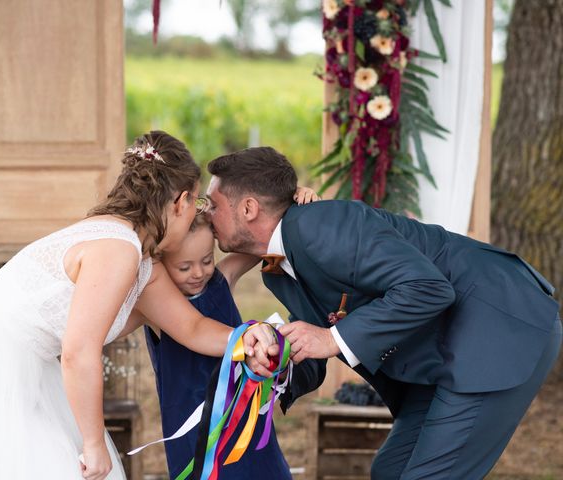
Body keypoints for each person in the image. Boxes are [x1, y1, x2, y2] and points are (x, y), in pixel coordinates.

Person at [0, 131, 276, 480]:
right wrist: (93, 444)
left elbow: (191, 328)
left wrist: (246, 338)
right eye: (198, 203)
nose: (198, 214)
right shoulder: (117, 249)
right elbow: (78, 352)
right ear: (179, 202)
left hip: (24, 358)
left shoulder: (140, 258)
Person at [205, 146, 562, 480]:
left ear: (249, 208)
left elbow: (427, 288)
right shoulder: (278, 267)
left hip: (497, 327)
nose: (205, 214)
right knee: (390, 471)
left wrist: (330, 338)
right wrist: (277, 367)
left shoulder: (319, 226)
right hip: (444, 350)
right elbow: (315, 342)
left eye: (212, 204)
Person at [141, 186, 318, 479]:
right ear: (160, 264)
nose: (199, 273)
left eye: (207, 260)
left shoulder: (221, 281)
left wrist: (293, 202)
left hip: (245, 419)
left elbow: (267, 239)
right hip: (194, 429)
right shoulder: (156, 310)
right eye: (184, 267)